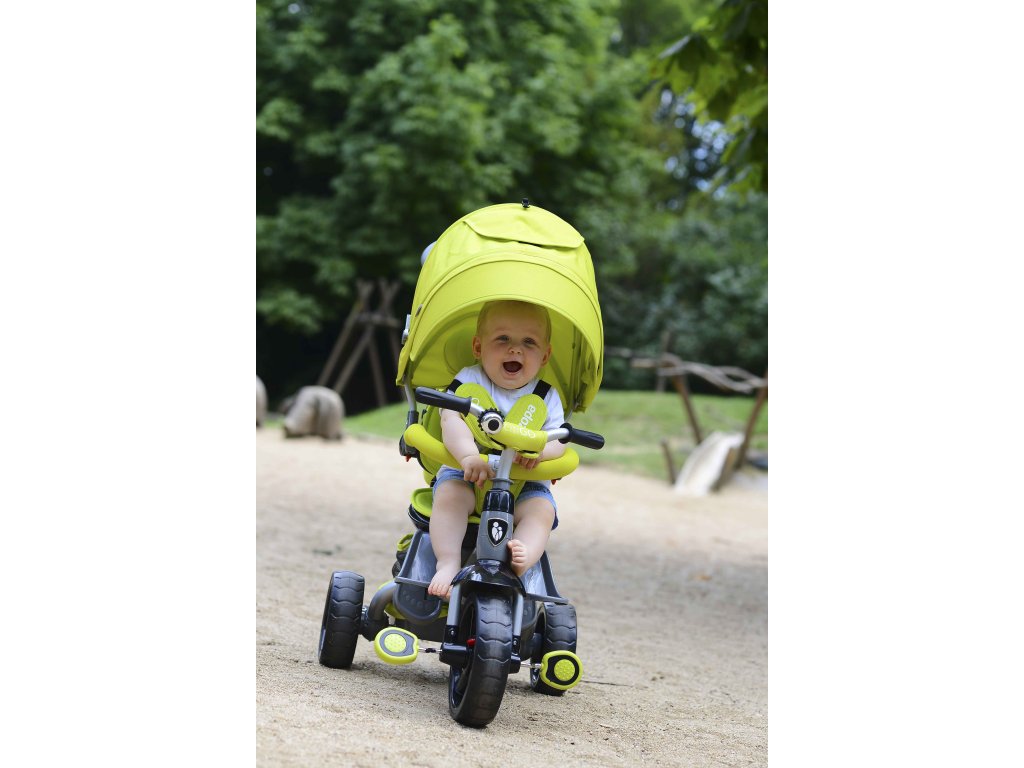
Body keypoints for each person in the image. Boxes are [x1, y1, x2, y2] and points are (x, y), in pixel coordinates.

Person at [427, 300, 566, 600]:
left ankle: (521, 558)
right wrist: (468, 455)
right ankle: (447, 561)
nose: (515, 350)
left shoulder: (545, 396)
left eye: (529, 342)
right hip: (468, 476)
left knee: (541, 510)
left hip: (522, 484)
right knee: (450, 496)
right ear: (478, 347)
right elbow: (450, 418)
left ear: (545, 355)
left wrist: (539, 452)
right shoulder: (469, 380)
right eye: (503, 339)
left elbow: (560, 439)